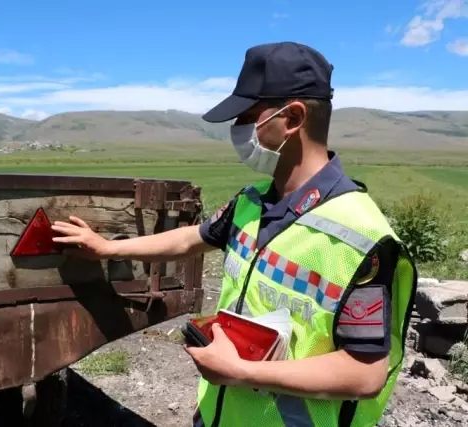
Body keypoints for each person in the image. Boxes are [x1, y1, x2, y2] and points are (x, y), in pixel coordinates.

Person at [51, 41, 417, 427]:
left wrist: (241, 373)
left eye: (247, 117)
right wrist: (107, 248)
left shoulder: (359, 238)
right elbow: (192, 238)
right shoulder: (252, 204)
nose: (238, 130)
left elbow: (365, 373)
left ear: (292, 117)